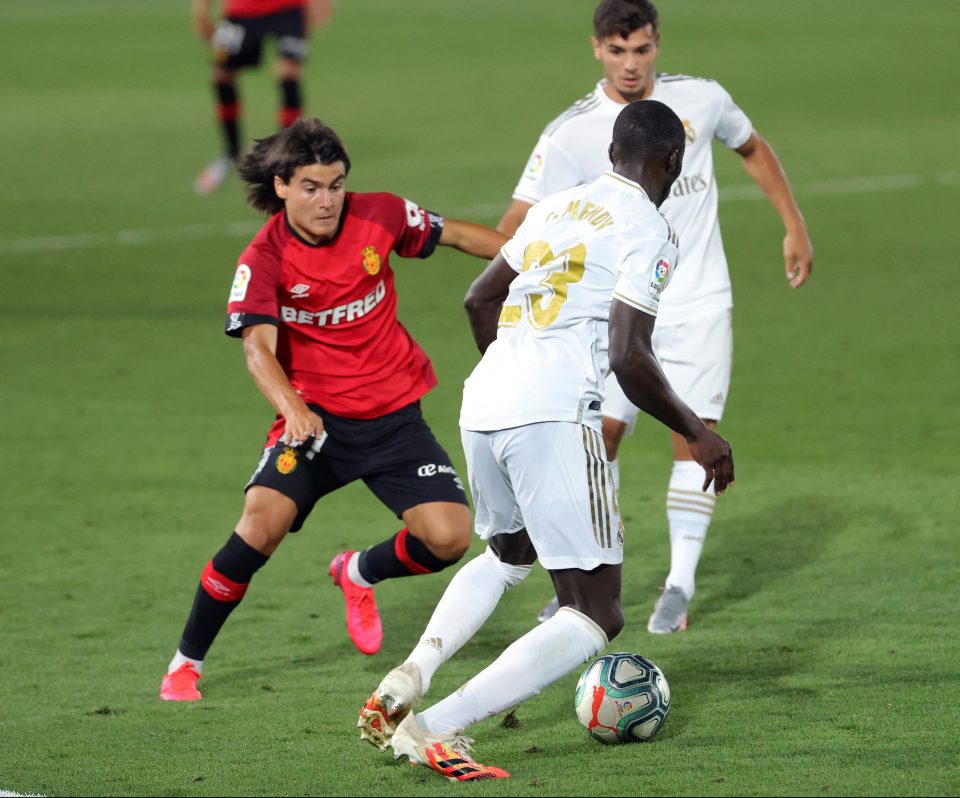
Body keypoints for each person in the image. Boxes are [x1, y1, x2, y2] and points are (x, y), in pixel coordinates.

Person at [356, 100, 734, 780]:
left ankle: (413, 673)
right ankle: (436, 727)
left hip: (486, 400)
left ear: (612, 151)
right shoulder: (650, 229)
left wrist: (511, 377)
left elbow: (478, 299)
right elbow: (628, 354)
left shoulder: (556, 207)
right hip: (553, 411)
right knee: (596, 613)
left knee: (510, 550)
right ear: (671, 162)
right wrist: (697, 432)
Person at [160, 117, 508, 701]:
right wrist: (293, 407)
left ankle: (357, 571)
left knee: (449, 539)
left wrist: (542, 258)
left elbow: (458, 236)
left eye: (336, 184)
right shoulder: (265, 258)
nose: (327, 201)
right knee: (260, 527)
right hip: (315, 424)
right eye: (312, 187)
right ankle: (185, 662)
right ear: (281, 187)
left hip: (395, 413)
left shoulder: (381, 215)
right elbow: (256, 349)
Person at [499, 0, 813, 634]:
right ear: (596, 50)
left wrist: (793, 224)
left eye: (641, 49)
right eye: (617, 51)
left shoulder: (702, 98)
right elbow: (517, 224)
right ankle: (580, 577)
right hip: (615, 312)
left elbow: (751, 148)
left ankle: (678, 585)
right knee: (597, 440)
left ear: (657, 45)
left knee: (692, 437)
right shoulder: (571, 132)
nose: (630, 63)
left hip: (698, 300)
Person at [191, 0, 333, 195]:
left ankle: (287, 155)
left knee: (289, 72)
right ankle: (231, 153)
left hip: (288, 8)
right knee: (221, 74)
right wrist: (201, 11)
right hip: (241, 10)